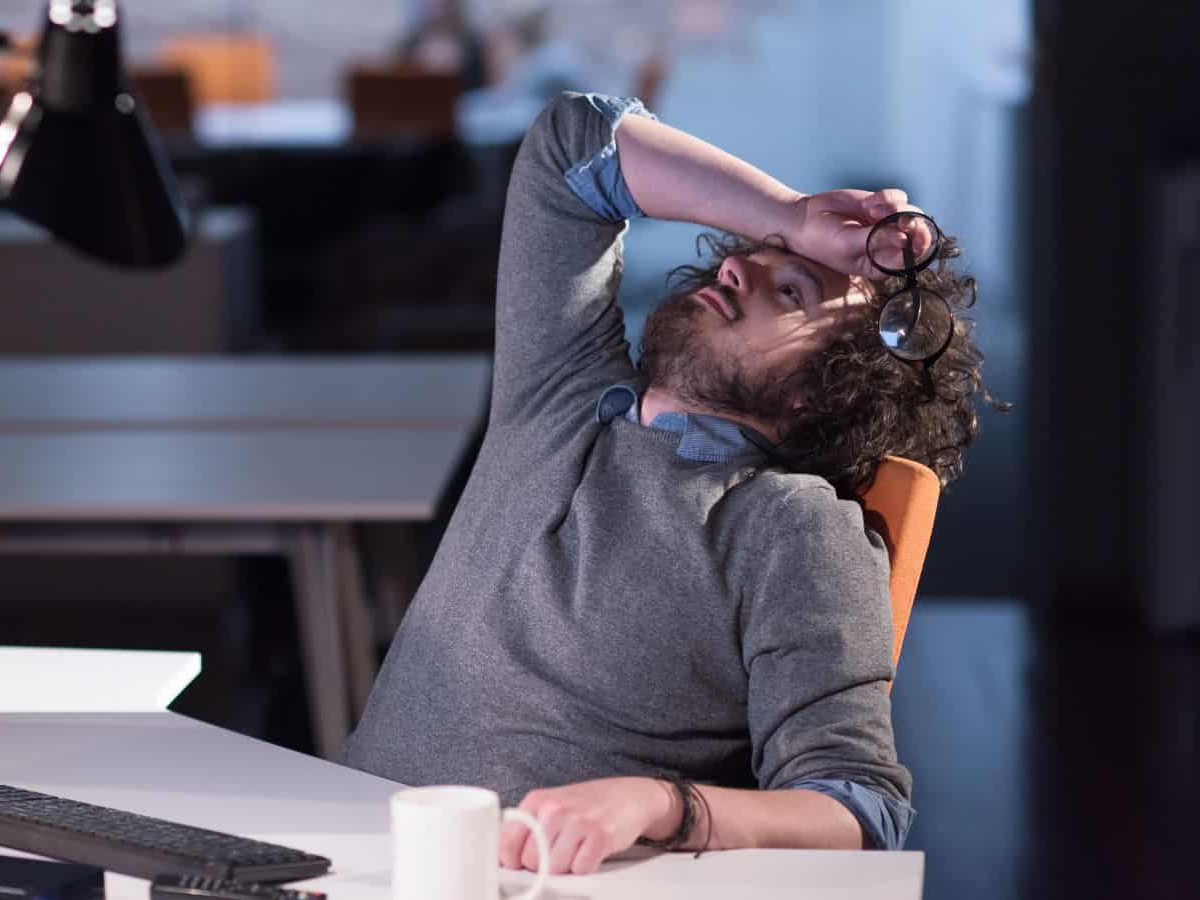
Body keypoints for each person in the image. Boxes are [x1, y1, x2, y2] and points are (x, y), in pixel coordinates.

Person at [343, 92, 997, 873]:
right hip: (338, 847)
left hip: (526, 882)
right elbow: (572, 146)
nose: (737, 267)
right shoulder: (560, 390)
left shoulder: (790, 525)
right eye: (753, 253)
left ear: (822, 391)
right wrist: (790, 218)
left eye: (790, 291)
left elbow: (859, 806)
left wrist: (661, 804)